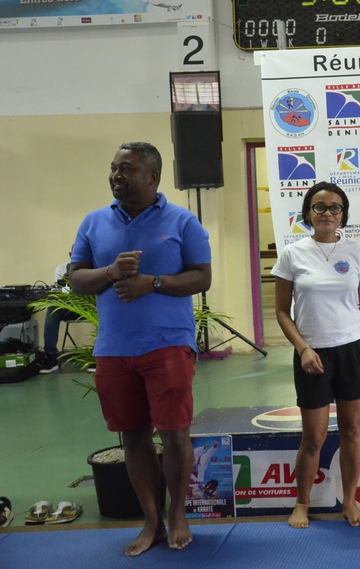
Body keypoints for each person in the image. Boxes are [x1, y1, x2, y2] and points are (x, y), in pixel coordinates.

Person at [68, 141, 211, 556]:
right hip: (114, 350)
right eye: (114, 167)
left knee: (175, 435)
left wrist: (154, 282)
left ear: (152, 177)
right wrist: (112, 272)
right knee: (132, 436)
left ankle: (178, 515)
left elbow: (202, 277)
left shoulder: (182, 221)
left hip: (168, 345)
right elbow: (76, 280)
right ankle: (151, 520)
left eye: (126, 169)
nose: (116, 175)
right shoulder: (93, 222)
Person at [272, 182, 360, 528]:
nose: (327, 213)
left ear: (343, 214)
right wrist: (303, 348)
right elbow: (281, 312)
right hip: (312, 355)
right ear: (308, 213)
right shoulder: (292, 254)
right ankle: (302, 504)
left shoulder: (357, 252)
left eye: (335, 207)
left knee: (352, 430)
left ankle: (349, 502)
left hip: (351, 352)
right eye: (319, 207)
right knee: (313, 437)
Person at [35, 251, 76, 374]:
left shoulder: (94, 268)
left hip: (89, 308)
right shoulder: (61, 269)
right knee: (52, 308)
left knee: (103, 308)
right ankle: (51, 355)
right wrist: (67, 282)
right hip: (70, 307)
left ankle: (98, 357)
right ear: (70, 254)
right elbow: (61, 296)